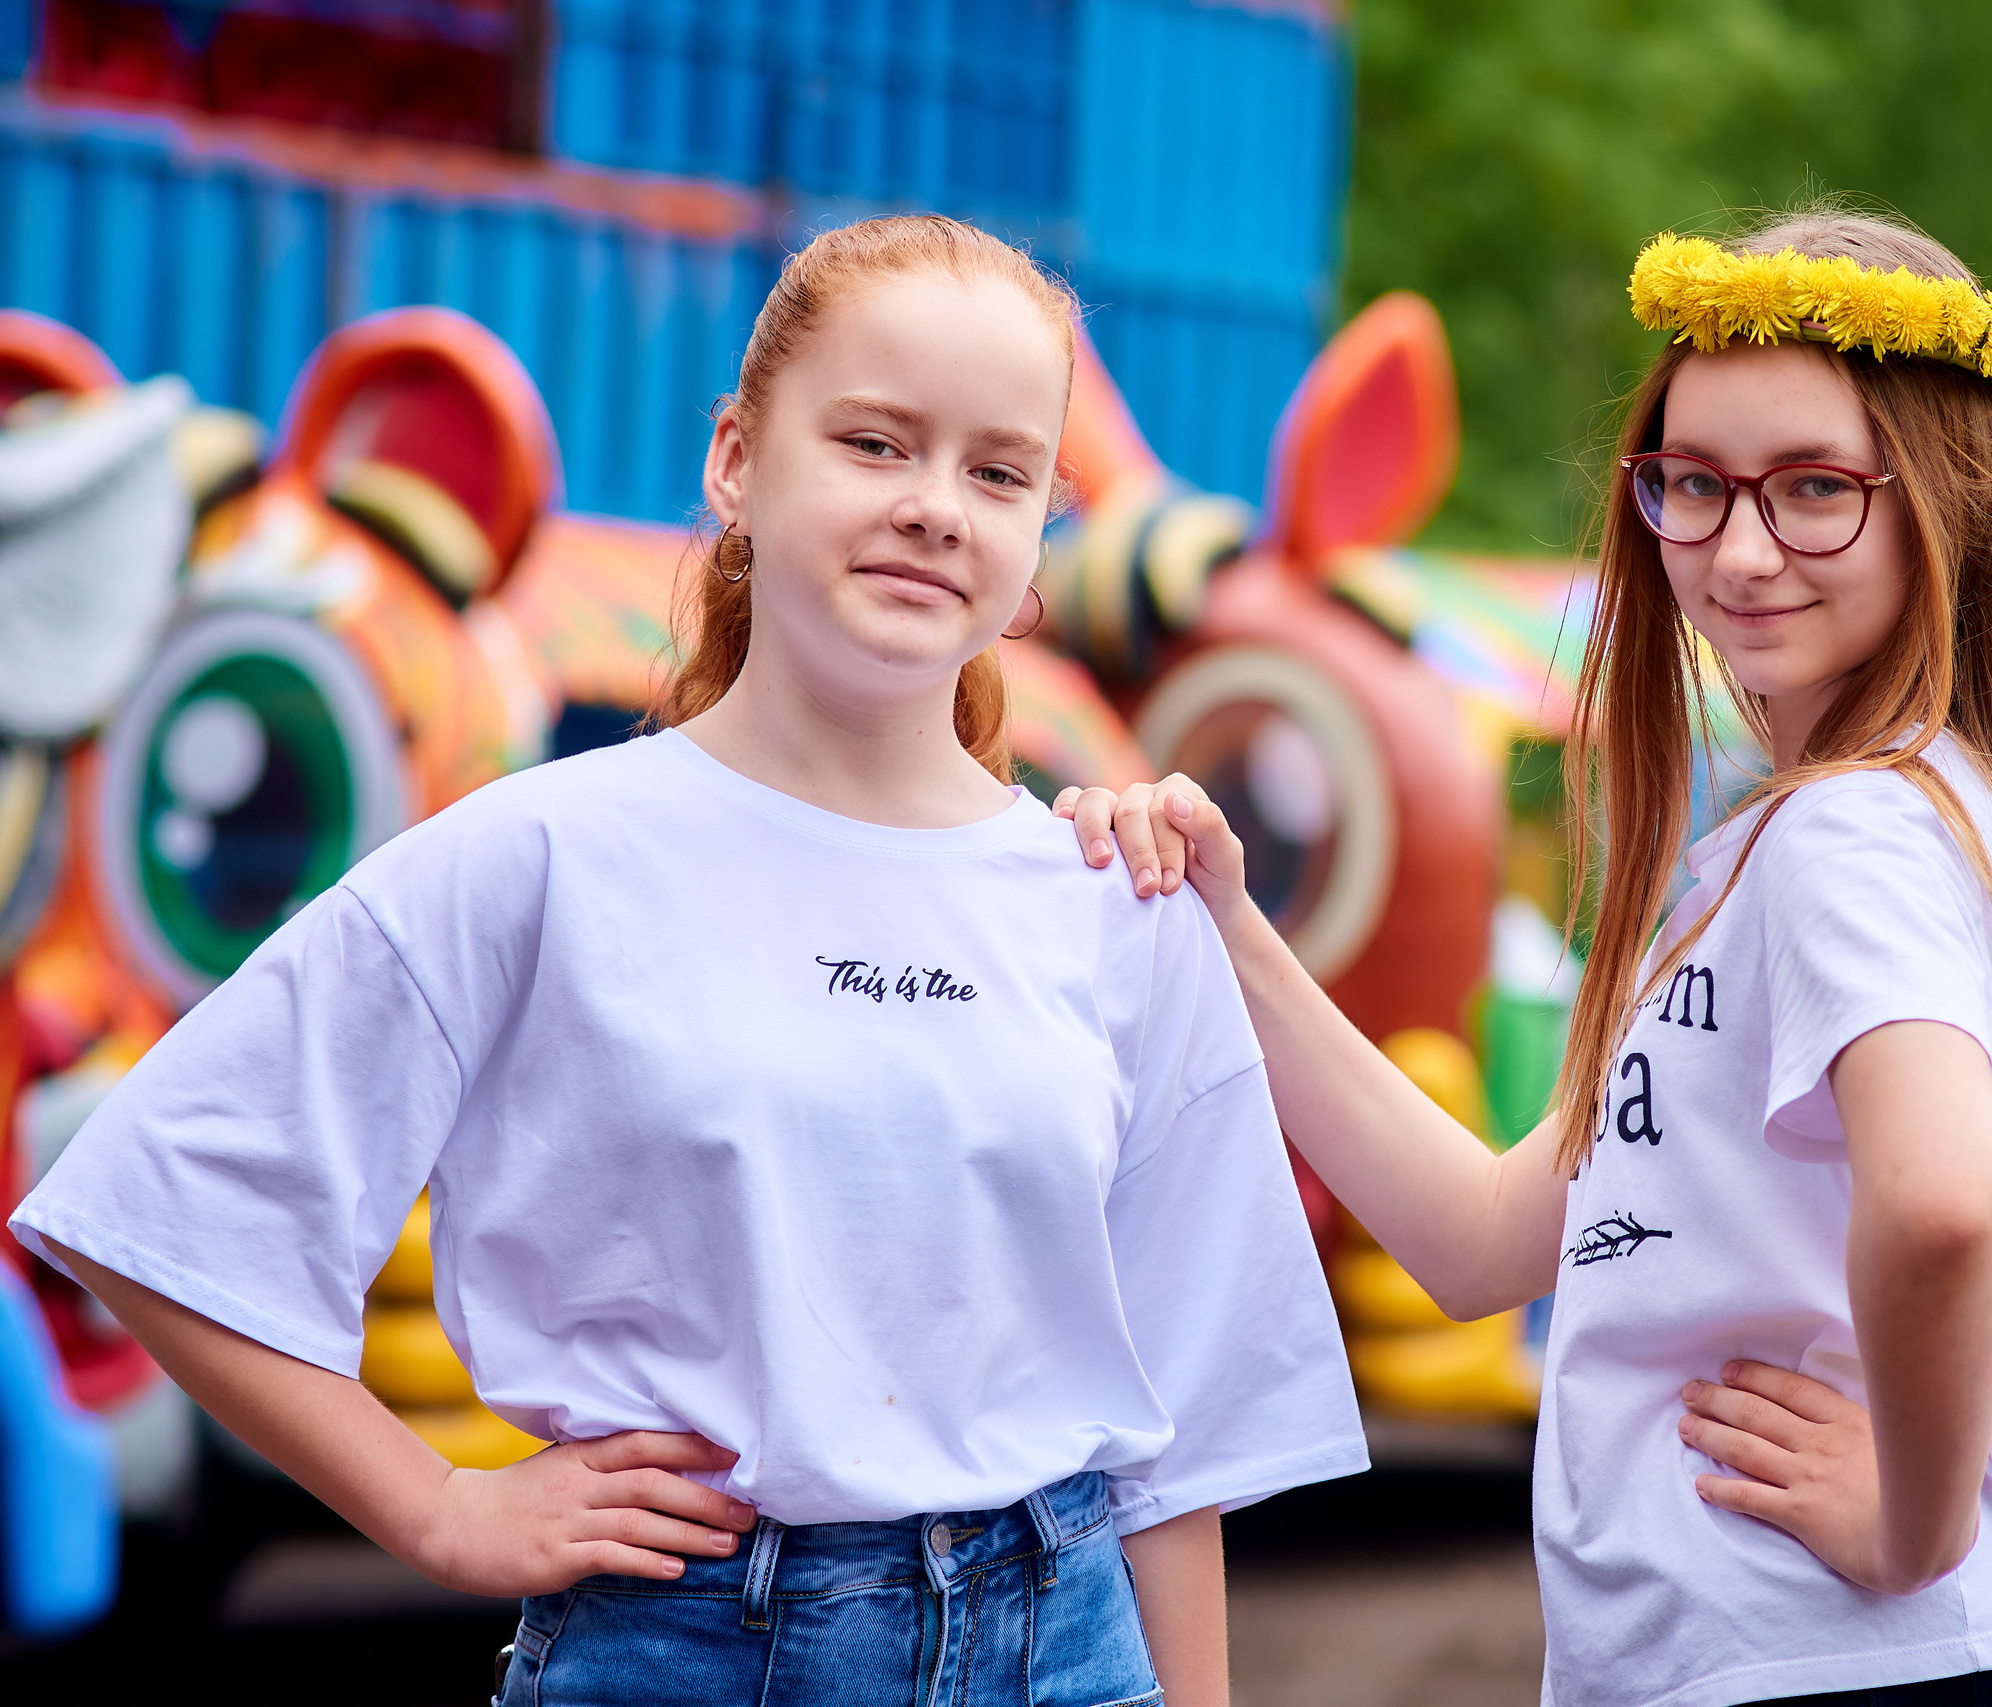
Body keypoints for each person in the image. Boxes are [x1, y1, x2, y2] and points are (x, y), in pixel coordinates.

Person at [8, 216, 1365, 1706]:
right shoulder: (539, 856)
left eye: (998, 470)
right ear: (736, 462)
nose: (934, 506)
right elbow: (161, 1201)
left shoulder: (1115, 896)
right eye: (875, 442)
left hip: (1067, 1649)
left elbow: (1177, 1437)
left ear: (1043, 524)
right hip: (677, 1650)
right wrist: (439, 1503)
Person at [1062, 209, 1992, 1704]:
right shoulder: (1828, 837)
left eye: (1815, 489)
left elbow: (1944, 1199)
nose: (1740, 547)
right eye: (1692, 483)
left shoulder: (1851, 835)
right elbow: (1484, 1235)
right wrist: (1233, 925)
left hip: (1828, 1659)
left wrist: (1914, 1520)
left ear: (1946, 501)